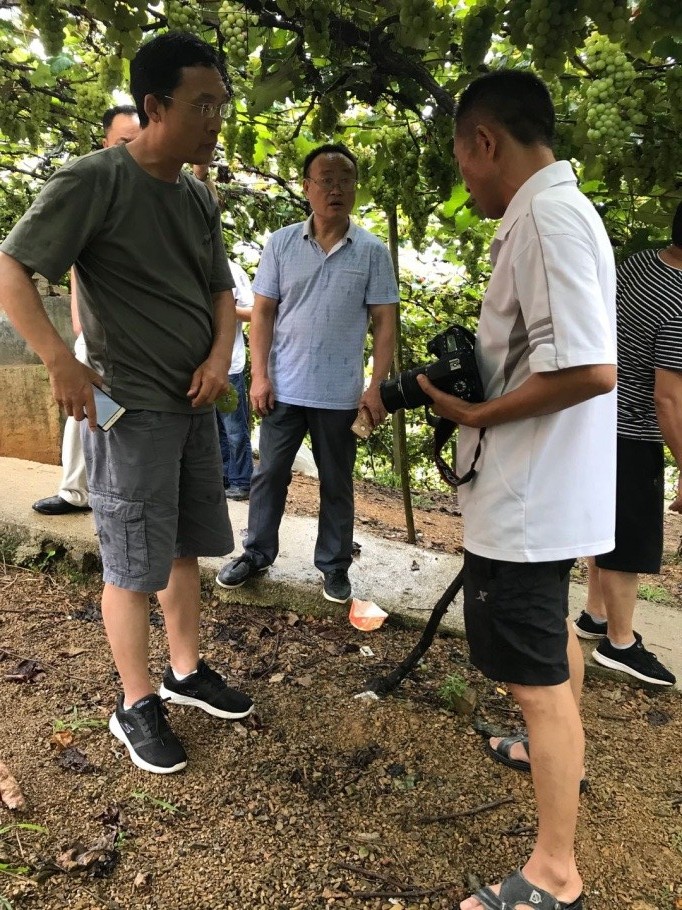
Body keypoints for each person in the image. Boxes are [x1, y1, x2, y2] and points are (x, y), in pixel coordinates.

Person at [0, 32, 254, 775]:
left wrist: (218, 358)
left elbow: (221, 293)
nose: (216, 120)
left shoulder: (197, 195)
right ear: (155, 105)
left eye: (221, 104)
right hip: (131, 408)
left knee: (181, 547)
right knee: (131, 561)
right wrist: (61, 362)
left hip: (193, 404)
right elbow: (12, 269)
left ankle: (184, 672)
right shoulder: (95, 180)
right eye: (202, 105)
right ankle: (135, 702)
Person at [417, 71, 617, 910]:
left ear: (485, 141)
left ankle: (554, 876)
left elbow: (591, 368)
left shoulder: (545, 220)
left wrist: (475, 411)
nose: (464, 179)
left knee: (534, 681)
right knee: (549, 650)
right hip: (548, 491)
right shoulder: (558, 212)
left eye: (461, 160)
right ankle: (547, 749)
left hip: (530, 500)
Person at [216, 143, 398, 604]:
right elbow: (262, 314)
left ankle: (334, 566)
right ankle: (256, 554)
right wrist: (260, 377)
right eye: (327, 181)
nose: (337, 190)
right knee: (269, 475)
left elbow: (385, 323)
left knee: (337, 483)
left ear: (355, 189)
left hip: (340, 394)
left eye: (346, 181)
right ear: (307, 187)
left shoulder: (372, 251)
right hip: (283, 388)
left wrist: (375, 387)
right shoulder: (281, 244)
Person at [573, 203, 682, 687]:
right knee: (629, 539)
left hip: (596, 417)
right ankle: (620, 643)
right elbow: (668, 399)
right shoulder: (679, 302)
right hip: (634, 431)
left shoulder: (638, 263)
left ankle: (595, 615)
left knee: (606, 523)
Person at [32, 105, 141, 516]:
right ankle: (75, 492)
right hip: (97, 337)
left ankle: (112, 491)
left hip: (143, 341)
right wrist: (79, 327)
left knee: (123, 420)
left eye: (139, 141)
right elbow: (79, 264)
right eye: (123, 142)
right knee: (87, 410)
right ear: (105, 142)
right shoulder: (91, 184)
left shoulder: (157, 190)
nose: (131, 150)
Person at [192, 163, 254, 501]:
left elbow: (253, 312)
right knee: (214, 428)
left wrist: (222, 306)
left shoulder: (230, 270)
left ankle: (242, 481)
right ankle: (225, 477)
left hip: (228, 364)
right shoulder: (187, 267)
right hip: (198, 364)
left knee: (234, 427)